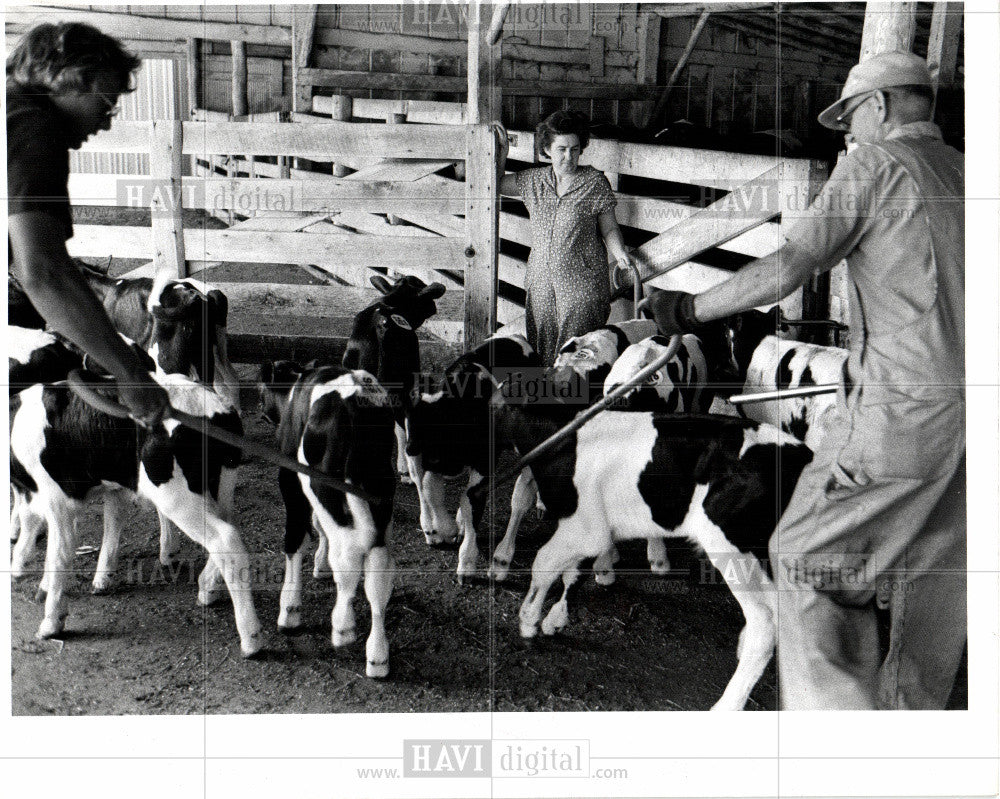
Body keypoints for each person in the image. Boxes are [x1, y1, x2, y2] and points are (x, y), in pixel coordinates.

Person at [643, 52, 965, 710]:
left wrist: (689, 308)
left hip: (902, 407)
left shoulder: (874, 164)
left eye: (850, 117)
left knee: (802, 553)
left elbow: (790, 264)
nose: (847, 133)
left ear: (877, 107)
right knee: (932, 581)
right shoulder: (969, 172)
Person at [7, 22, 168, 426]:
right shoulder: (34, 127)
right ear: (74, 80)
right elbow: (43, 273)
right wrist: (130, 374)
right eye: (108, 103)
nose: (107, 121)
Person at [497, 110, 636, 365]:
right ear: (547, 149)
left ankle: (574, 403)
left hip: (582, 284)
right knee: (541, 352)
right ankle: (546, 403)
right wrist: (502, 154)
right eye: (561, 149)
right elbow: (493, 183)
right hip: (541, 282)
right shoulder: (534, 180)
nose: (568, 156)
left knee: (577, 355)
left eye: (574, 148)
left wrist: (620, 254)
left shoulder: (594, 182)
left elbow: (609, 228)